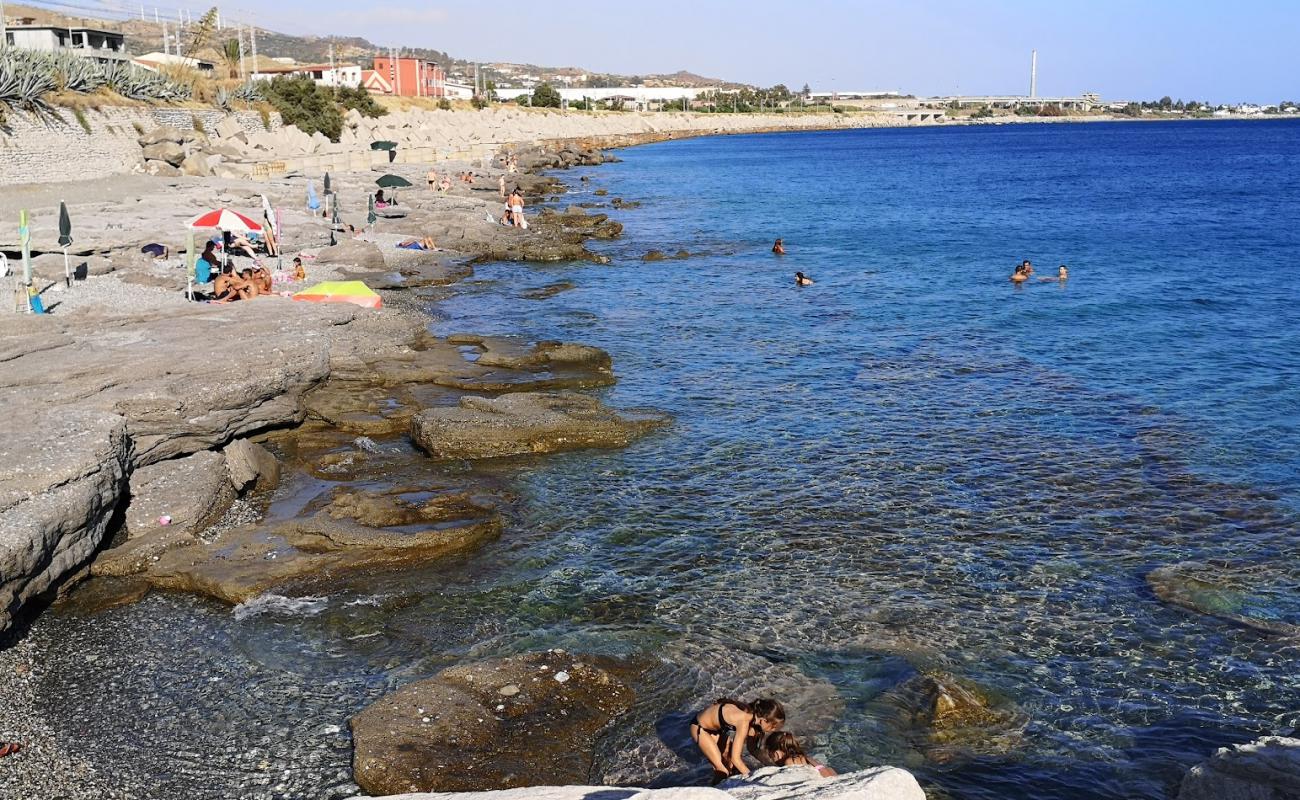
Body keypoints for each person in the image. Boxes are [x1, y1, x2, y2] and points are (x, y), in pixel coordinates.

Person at [689, 698, 786, 784]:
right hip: (700, 727)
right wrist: (753, 780)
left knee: (730, 766)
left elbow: (752, 749)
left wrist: (775, 767)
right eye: (773, 727)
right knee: (722, 770)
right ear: (764, 720)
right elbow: (736, 759)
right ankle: (712, 793)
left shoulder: (751, 714)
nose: (773, 730)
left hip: (718, 728)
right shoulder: (743, 721)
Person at [764, 732, 836, 778]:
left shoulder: (789, 762)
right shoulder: (807, 758)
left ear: (776, 753)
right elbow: (828, 771)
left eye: (770, 755)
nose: (772, 759)